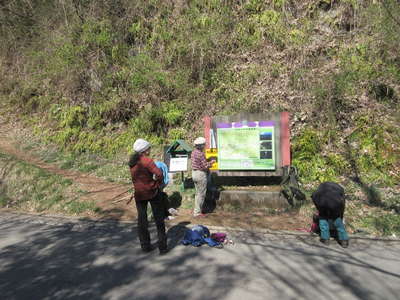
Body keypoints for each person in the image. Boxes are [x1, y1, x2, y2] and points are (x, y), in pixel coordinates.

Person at [128, 138, 168, 255]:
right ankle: (163, 247)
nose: (150, 150)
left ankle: (145, 245)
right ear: (145, 150)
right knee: (159, 219)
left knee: (142, 220)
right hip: (152, 192)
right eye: (149, 148)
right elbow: (159, 174)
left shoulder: (132, 162)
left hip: (139, 193)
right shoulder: (147, 161)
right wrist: (157, 183)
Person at [311, 182, 349, 248]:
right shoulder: (339, 189)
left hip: (322, 202)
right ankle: (344, 240)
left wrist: (319, 209)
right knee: (337, 219)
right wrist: (340, 215)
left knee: (323, 218)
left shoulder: (321, 187)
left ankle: (325, 239)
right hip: (336, 204)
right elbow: (342, 204)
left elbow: (314, 196)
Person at [191, 137, 215, 217]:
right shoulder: (201, 154)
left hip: (194, 173)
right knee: (201, 194)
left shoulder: (194, 152)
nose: (204, 146)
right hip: (200, 174)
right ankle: (197, 213)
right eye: (204, 145)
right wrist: (211, 162)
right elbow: (205, 166)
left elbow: (200, 163)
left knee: (197, 193)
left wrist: (207, 160)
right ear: (201, 146)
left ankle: (197, 210)